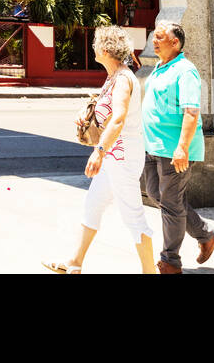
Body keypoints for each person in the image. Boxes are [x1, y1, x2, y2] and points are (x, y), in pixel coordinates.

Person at [44, 26, 155, 274]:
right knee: (92, 205)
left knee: (133, 216)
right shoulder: (113, 77)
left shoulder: (124, 79)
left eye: (95, 44)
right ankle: (75, 262)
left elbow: (119, 119)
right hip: (113, 155)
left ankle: (150, 272)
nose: (93, 48)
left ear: (104, 50)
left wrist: (99, 151)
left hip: (121, 155)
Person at [140, 21, 214, 274]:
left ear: (175, 43)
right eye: (154, 36)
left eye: (160, 37)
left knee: (171, 203)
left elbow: (191, 111)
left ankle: (170, 262)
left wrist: (182, 147)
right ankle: (206, 234)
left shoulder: (186, 70)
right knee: (157, 195)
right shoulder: (160, 67)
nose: (154, 41)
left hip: (174, 149)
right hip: (152, 146)